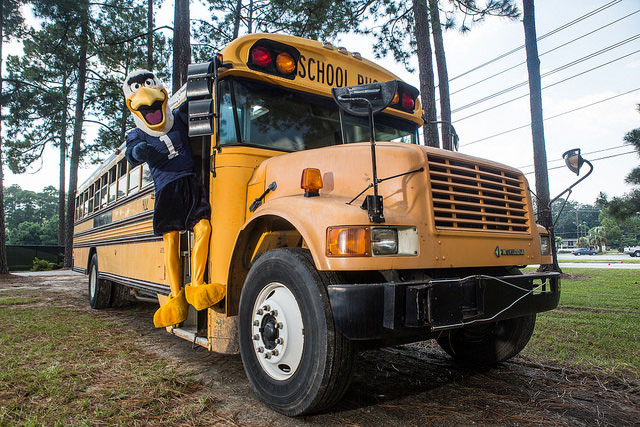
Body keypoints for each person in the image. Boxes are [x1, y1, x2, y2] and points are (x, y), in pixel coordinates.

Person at [123, 69, 224, 328]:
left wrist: (211, 75)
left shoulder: (177, 118)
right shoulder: (138, 133)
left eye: (148, 85)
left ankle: (197, 285)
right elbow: (131, 154)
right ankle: (175, 296)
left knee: (204, 227)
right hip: (166, 189)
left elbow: (196, 99)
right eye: (137, 89)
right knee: (171, 241)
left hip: (190, 181)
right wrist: (138, 151)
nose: (145, 94)